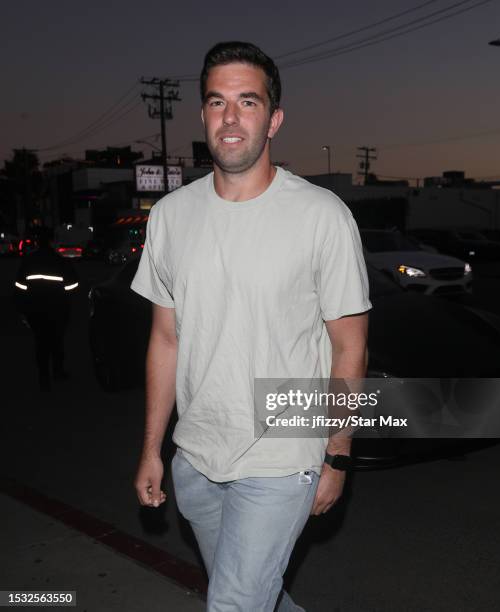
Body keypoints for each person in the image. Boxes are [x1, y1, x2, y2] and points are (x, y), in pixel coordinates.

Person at [132, 41, 371, 611]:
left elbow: (350, 350)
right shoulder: (170, 216)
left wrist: (336, 457)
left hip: (281, 458)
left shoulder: (322, 216)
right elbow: (166, 340)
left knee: (234, 605)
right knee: (251, 596)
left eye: (248, 102)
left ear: (274, 118)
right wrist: (152, 450)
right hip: (195, 460)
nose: (231, 118)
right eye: (218, 103)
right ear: (204, 116)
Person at [14, 229, 78, 391]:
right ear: (51, 241)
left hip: (35, 310)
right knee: (57, 341)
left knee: (41, 343)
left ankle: (44, 378)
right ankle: (57, 371)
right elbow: (73, 285)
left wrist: (23, 309)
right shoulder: (60, 261)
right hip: (58, 310)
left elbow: (20, 287)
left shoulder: (29, 261)